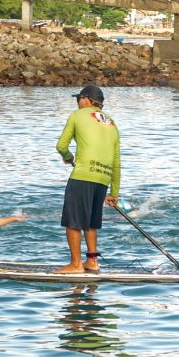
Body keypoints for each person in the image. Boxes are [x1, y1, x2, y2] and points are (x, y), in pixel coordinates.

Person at [55, 83, 120, 273]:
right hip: (103, 178)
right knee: (91, 222)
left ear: (87, 100)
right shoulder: (112, 123)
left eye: (78, 99)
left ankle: (75, 264)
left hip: (83, 175)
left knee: (73, 221)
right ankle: (92, 261)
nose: (77, 103)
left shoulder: (77, 116)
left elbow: (61, 146)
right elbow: (117, 161)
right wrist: (114, 192)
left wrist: (68, 158)